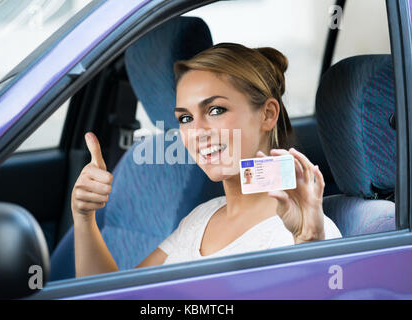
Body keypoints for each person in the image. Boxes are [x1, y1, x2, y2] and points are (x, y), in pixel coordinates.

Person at [71, 43, 342, 277]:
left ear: (268, 114)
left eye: (215, 110)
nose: (197, 132)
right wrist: (84, 218)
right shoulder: (201, 217)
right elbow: (115, 297)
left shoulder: (307, 229)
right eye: (186, 119)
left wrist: (309, 245)